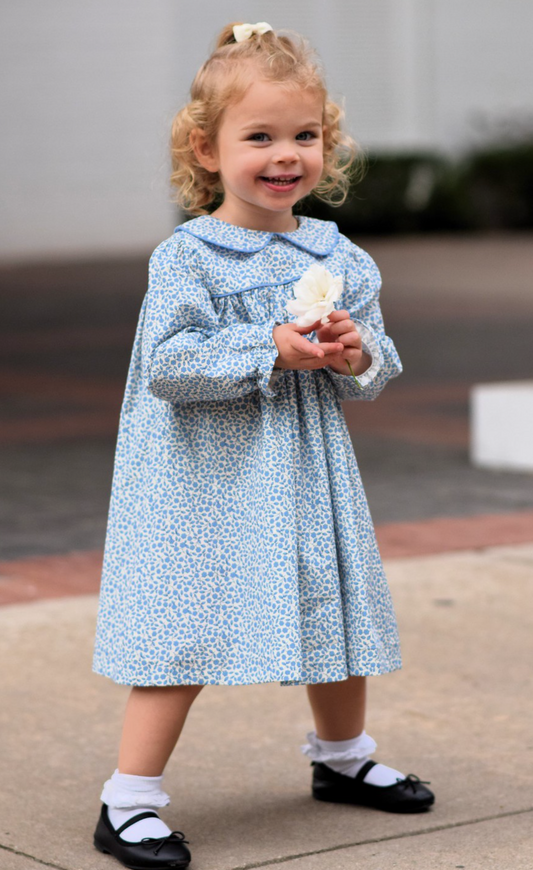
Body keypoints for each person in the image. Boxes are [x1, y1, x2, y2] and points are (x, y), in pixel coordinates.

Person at [91, 20, 434, 870]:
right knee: (184, 625)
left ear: (328, 144)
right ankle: (127, 798)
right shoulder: (189, 258)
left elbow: (375, 362)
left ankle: (343, 759)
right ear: (206, 151)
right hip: (206, 478)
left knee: (335, 610)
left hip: (303, 470)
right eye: (260, 137)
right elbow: (168, 366)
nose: (286, 156)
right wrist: (265, 347)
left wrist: (353, 351)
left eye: (304, 136)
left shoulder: (336, 253)